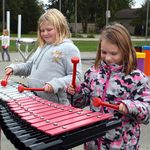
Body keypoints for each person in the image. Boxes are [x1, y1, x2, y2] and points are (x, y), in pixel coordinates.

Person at [67, 23, 150, 149]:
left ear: (125, 50)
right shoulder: (93, 72)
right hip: (93, 143)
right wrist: (76, 92)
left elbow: (147, 112)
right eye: (104, 52)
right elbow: (80, 102)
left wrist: (129, 106)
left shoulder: (137, 79)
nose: (108, 57)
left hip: (122, 145)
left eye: (114, 53)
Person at [5, 8, 82, 105]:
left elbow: (76, 77)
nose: (45, 33)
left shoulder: (69, 48)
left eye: (49, 29)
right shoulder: (41, 47)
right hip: (36, 99)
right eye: (42, 30)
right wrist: (14, 68)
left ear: (60, 27)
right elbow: (30, 66)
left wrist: (55, 84)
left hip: (56, 104)